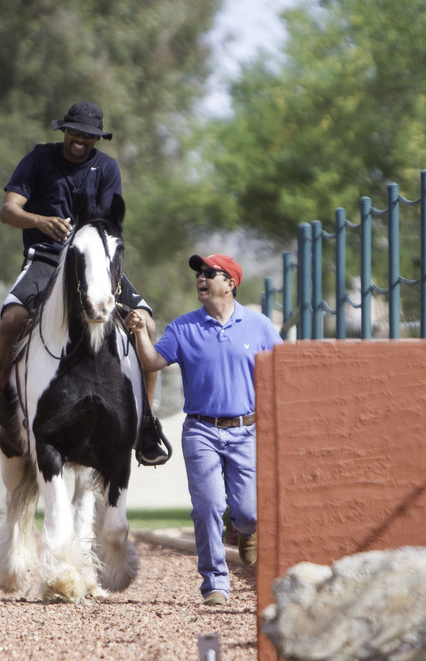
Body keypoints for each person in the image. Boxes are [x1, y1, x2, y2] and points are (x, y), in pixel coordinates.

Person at [0, 101, 169, 466]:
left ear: (97, 139)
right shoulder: (38, 159)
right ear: (64, 131)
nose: (81, 140)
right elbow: (8, 211)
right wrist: (40, 221)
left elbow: (107, 224)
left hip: (93, 261)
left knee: (146, 323)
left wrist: (86, 242)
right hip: (46, 259)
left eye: (89, 135)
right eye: (75, 132)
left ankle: (146, 423)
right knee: (11, 321)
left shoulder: (107, 169)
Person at [127, 253, 282, 606]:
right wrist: (139, 333)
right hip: (200, 431)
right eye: (199, 273)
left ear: (230, 283)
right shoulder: (184, 327)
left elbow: (285, 368)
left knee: (250, 512)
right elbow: (152, 361)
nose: (201, 278)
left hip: (246, 431)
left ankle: (245, 531)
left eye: (210, 273)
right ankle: (215, 582)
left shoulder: (258, 326)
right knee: (207, 506)